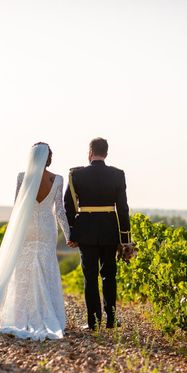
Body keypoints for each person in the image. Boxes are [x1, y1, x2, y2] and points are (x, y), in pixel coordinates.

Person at [0, 143, 71, 342]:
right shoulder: (57, 179)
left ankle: (19, 316)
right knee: (46, 267)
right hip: (46, 229)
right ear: (49, 158)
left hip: (26, 229)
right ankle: (47, 315)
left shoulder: (22, 177)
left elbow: (18, 208)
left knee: (23, 270)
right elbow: (59, 211)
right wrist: (69, 235)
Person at [64, 137, 131, 330]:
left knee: (90, 276)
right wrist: (125, 239)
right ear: (106, 153)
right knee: (109, 275)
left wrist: (72, 233)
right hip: (110, 230)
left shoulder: (76, 175)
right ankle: (111, 319)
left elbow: (68, 206)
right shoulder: (118, 175)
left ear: (90, 152)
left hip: (86, 231)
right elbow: (123, 208)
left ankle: (93, 322)